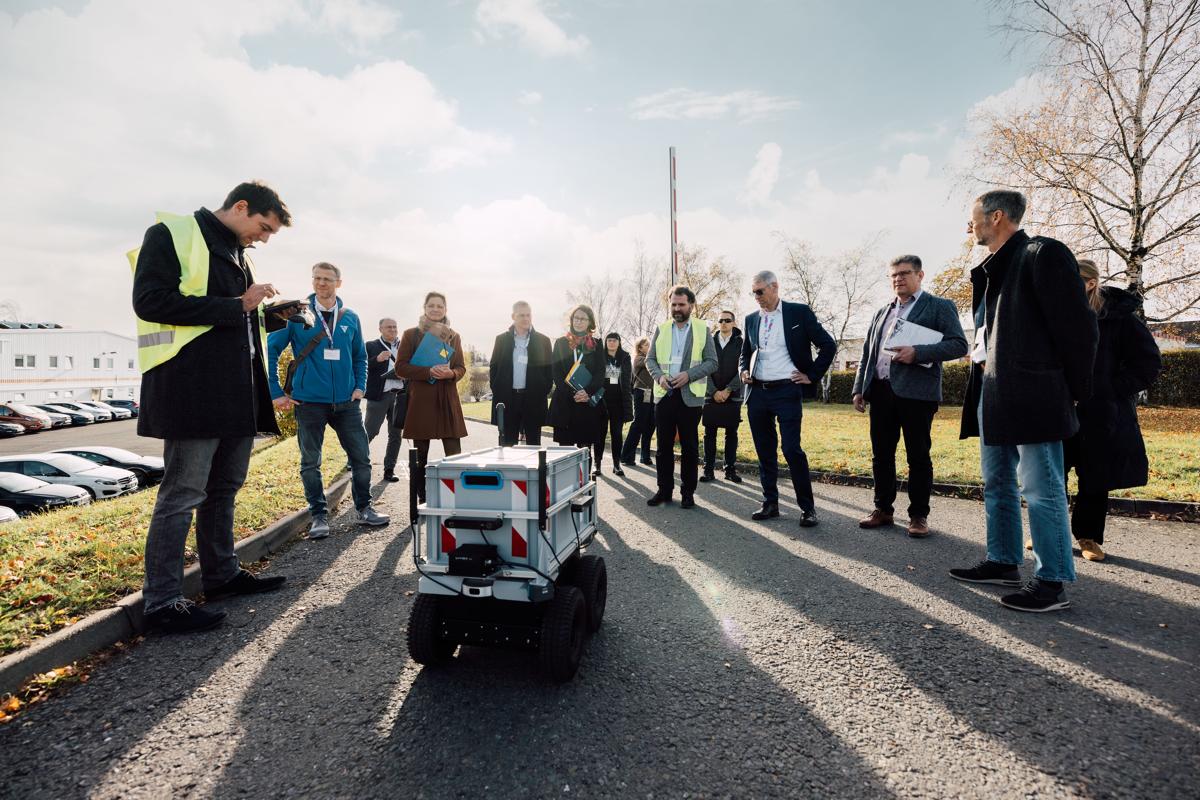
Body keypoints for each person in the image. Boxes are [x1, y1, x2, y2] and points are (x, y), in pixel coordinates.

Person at [131, 180, 291, 634]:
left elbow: (234, 316)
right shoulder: (172, 235)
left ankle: (221, 576)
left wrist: (269, 313)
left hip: (235, 392)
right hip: (191, 390)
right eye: (262, 227)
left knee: (224, 488)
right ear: (240, 207)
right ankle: (161, 602)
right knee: (182, 494)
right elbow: (150, 302)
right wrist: (238, 304)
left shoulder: (238, 252)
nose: (262, 238)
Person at [949, 190, 1098, 613]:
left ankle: (1051, 582)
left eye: (973, 217)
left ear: (997, 217)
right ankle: (1002, 561)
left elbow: (1079, 330)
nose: (969, 226)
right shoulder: (992, 270)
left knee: (1041, 488)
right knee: (996, 482)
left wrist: (1071, 391)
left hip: (1035, 396)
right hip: (993, 394)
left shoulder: (1042, 254)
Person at [269, 262, 390, 540]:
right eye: (317, 279)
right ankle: (319, 516)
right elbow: (272, 351)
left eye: (327, 279)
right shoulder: (294, 314)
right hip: (309, 403)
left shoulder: (350, 317)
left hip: (347, 404)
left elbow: (360, 355)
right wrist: (276, 391)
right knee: (311, 462)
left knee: (361, 458)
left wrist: (359, 386)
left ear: (339, 283)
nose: (321, 283)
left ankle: (364, 509)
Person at [852, 256, 968, 537]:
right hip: (880, 391)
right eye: (893, 275)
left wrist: (918, 353)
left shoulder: (939, 306)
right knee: (881, 455)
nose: (898, 279)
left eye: (904, 273)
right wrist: (859, 388)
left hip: (917, 394)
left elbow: (958, 345)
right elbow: (869, 351)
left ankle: (918, 516)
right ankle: (883, 509)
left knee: (918, 456)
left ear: (920, 275)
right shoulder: (882, 311)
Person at [1058, 259, 1161, 561]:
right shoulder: (1058, 315)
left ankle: (1088, 537)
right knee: (1052, 475)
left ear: (1090, 283)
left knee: (1094, 477)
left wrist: (1111, 390)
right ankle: (1051, 534)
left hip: (1101, 414)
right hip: (1059, 409)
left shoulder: (1120, 318)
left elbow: (1149, 363)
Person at [739, 270, 836, 528]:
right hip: (758, 392)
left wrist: (812, 375)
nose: (756, 297)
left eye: (760, 291)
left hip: (787, 391)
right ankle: (770, 503)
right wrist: (743, 371)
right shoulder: (750, 319)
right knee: (764, 451)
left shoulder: (798, 313)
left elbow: (828, 345)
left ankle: (807, 508)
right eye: (753, 292)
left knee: (792, 449)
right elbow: (744, 353)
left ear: (775, 287)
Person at [645, 286, 717, 509]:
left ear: (691, 305)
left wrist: (689, 375)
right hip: (665, 395)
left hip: (690, 397)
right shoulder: (662, 328)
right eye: (673, 304)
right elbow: (650, 361)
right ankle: (664, 490)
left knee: (690, 448)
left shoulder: (702, 329)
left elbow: (712, 362)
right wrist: (659, 378)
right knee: (663, 447)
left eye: (681, 305)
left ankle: (688, 493)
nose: (677, 309)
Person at [394, 292, 468, 502]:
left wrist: (451, 374)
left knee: (455, 453)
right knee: (420, 456)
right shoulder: (411, 335)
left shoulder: (454, 335)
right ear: (424, 308)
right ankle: (422, 497)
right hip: (421, 401)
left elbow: (461, 367)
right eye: (431, 305)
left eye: (440, 306)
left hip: (447, 399)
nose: (436, 309)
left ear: (445, 309)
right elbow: (400, 368)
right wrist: (428, 372)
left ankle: (456, 496)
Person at [488, 301, 553, 446]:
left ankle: (535, 469)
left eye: (528, 315)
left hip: (533, 399)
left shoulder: (543, 341)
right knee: (507, 445)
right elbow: (494, 368)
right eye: (521, 315)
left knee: (534, 445)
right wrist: (497, 389)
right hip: (508, 399)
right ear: (513, 316)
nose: (525, 318)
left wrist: (543, 390)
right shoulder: (501, 340)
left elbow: (550, 371)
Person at [548, 305, 606, 460]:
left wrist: (587, 392)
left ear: (590, 322)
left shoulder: (596, 344)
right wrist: (572, 393)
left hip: (587, 405)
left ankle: (585, 480)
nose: (578, 321)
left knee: (585, 454)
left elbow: (600, 372)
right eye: (576, 318)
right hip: (566, 403)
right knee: (565, 455)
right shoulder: (561, 343)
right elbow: (556, 371)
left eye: (583, 318)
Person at [700, 310, 745, 484]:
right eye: (721, 320)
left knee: (731, 434)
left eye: (727, 320)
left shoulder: (741, 343)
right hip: (711, 395)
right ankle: (708, 470)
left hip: (732, 396)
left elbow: (743, 367)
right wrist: (713, 391)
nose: (724, 323)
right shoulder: (708, 342)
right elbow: (704, 367)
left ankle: (730, 470)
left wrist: (727, 390)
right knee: (709, 433)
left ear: (734, 323)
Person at [364, 318, 407, 483]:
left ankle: (389, 470)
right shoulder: (371, 346)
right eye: (389, 327)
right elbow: (361, 366)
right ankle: (354, 460)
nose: (393, 329)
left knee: (396, 435)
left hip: (399, 396)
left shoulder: (405, 347)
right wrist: (377, 360)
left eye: (395, 327)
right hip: (379, 396)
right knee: (371, 431)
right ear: (380, 329)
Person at [597, 332, 633, 476]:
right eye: (609, 340)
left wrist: (628, 407)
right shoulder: (600, 356)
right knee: (600, 433)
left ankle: (616, 464)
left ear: (619, 342)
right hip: (602, 400)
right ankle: (597, 464)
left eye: (614, 340)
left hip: (618, 402)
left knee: (616, 434)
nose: (611, 343)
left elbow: (627, 383)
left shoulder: (625, 357)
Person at [619, 337, 656, 467]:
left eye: (649, 345)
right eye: (646, 345)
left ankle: (645, 456)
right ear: (640, 348)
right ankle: (626, 456)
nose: (649, 347)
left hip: (652, 394)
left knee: (651, 424)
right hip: (641, 393)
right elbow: (649, 362)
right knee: (639, 424)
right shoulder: (639, 359)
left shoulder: (649, 357)